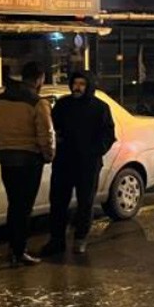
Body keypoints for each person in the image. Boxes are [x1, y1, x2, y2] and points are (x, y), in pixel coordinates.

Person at [0, 62, 55, 267]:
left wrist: (2, 147)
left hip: (8, 160)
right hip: (29, 160)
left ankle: (13, 248)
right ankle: (19, 251)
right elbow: (45, 134)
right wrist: (48, 155)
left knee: (14, 205)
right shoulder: (37, 103)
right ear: (39, 79)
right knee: (24, 208)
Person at [43, 70, 116, 257]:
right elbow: (52, 128)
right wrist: (56, 142)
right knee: (58, 202)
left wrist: (95, 151)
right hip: (64, 161)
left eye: (82, 84)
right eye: (75, 83)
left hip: (88, 163)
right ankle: (57, 239)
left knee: (85, 203)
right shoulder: (63, 105)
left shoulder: (100, 108)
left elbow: (108, 134)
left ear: (89, 86)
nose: (78, 87)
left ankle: (80, 238)